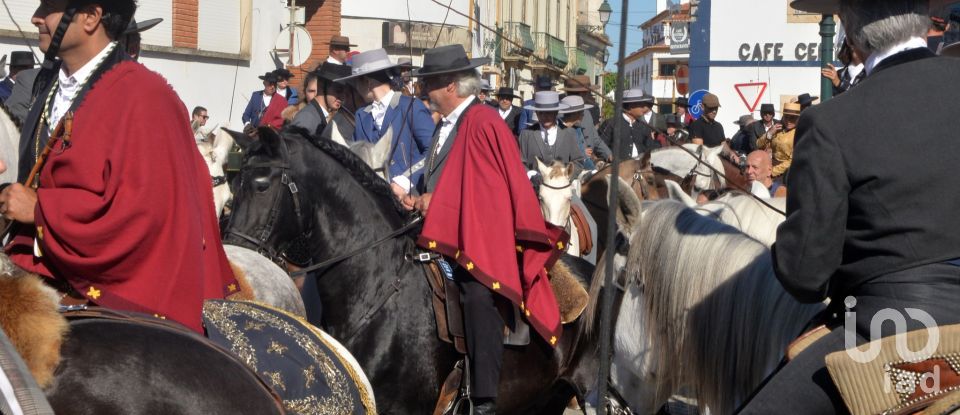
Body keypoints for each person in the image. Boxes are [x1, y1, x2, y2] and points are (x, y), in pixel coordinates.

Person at [740, 0, 960, 413]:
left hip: (900, 329)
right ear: (927, 21)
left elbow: (806, 277)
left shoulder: (831, 121)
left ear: (852, 37)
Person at [2, 0, 236, 334]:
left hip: (112, 289)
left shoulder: (147, 95)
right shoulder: (48, 86)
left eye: (50, 6)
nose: (36, 17)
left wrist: (42, 209)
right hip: (39, 260)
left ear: (91, 17)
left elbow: (147, 212)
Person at [408, 44, 564, 415]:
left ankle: (484, 397)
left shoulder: (484, 121)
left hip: (480, 239)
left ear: (449, 85)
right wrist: (418, 195)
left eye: (428, 83)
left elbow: (490, 192)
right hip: (442, 230)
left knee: (478, 296)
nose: (422, 90)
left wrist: (439, 202)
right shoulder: (447, 124)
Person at [335, 48, 434, 197]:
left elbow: (433, 151)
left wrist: (406, 181)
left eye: (356, 82)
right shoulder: (362, 115)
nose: (356, 88)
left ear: (367, 82)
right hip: (375, 200)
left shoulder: (411, 106)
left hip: (411, 200)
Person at [518, 91, 584, 179]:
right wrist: (530, 175)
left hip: (563, 189)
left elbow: (578, 161)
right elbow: (519, 162)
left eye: (549, 112)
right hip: (534, 189)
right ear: (536, 113)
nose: (545, 116)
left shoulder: (569, 133)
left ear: (556, 112)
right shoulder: (526, 134)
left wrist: (566, 176)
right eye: (541, 113)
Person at [291, 62, 351, 137]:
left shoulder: (319, 114)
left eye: (345, 93)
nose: (342, 97)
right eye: (338, 90)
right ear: (321, 86)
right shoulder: (307, 117)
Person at [599, 89, 661, 160]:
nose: (643, 107)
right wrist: (609, 156)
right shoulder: (611, 124)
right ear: (631, 106)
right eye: (640, 104)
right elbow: (600, 145)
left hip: (640, 167)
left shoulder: (644, 126)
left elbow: (650, 146)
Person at [562, 75, 610, 157]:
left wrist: (609, 154)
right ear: (582, 94)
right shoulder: (560, 116)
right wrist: (578, 152)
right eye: (588, 93)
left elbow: (596, 140)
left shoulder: (587, 114)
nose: (589, 95)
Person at [757, 102, 800, 180]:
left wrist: (773, 172)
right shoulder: (777, 130)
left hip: (787, 173)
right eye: (786, 117)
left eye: (792, 118)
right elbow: (759, 145)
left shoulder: (799, 134)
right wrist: (769, 133)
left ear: (798, 119)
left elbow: (792, 161)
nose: (788, 121)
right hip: (770, 166)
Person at [559, 95, 600, 170]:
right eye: (581, 112)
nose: (583, 115)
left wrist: (594, 172)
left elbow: (584, 159)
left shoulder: (577, 129)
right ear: (575, 113)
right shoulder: (558, 129)